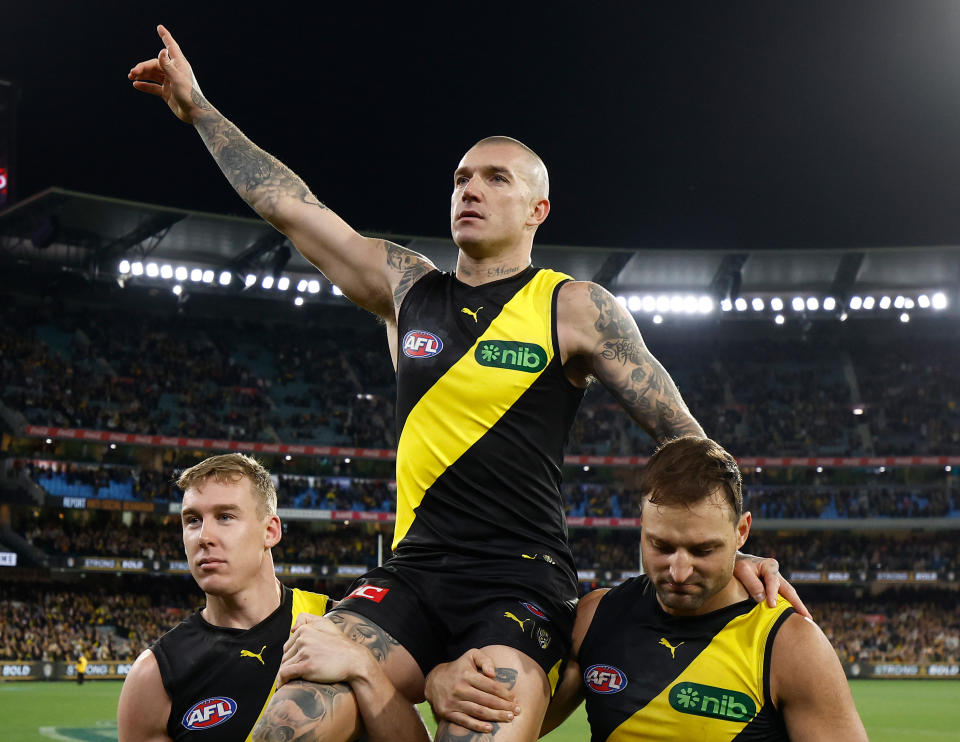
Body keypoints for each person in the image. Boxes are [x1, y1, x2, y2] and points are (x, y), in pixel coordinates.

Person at [129, 29, 798, 742]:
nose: (470, 188)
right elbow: (289, 205)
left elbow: (683, 436)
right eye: (460, 178)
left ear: (538, 209)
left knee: (476, 731)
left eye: (495, 178)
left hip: (521, 582)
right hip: (411, 574)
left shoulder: (573, 307)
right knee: (293, 716)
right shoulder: (406, 287)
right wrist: (199, 108)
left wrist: (736, 545)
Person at [431, 436, 867, 740]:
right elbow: (514, 721)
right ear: (641, 527)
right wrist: (442, 679)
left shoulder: (791, 646)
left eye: (703, 550)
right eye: (661, 546)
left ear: (742, 532)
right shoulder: (596, 616)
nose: (678, 571)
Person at [116, 454, 428, 742]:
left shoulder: (340, 625)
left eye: (225, 517)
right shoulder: (154, 676)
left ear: (271, 531)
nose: (204, 537)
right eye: (192, 520)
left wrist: (364, 668)